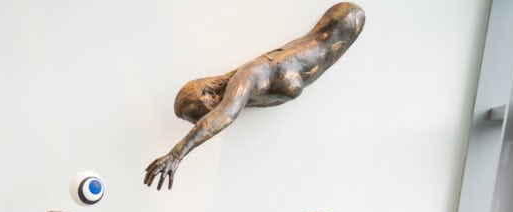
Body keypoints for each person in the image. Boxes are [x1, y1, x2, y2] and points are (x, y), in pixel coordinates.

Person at [144, 3, 366, 190]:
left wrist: (177, 154)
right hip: (340, 42)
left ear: (207, 93)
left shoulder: (246, 77)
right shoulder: (250, 94)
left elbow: (225, 115)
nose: (204, 118)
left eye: (201, 114)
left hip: (345, 20)